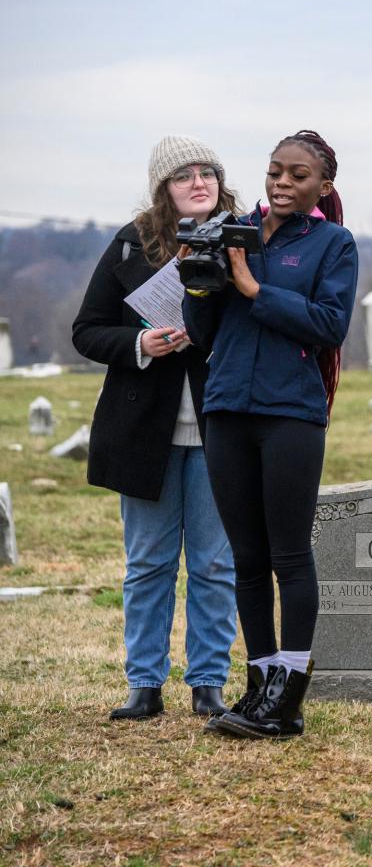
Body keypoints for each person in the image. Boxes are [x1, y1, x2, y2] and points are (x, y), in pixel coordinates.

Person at [184, 130, 358, 740]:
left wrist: (255, 289)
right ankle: (258, 687)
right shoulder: (231, 231)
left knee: (288, 553)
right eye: (275, 171)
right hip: (227, 406)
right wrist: (200, 282)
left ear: (322, 186)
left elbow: (330, 325)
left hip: (292, 414)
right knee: (247, 558)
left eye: (298, 175)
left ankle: (288, 698)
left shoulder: (334, 244)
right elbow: (204, 331)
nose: (283, 183)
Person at [72, 135, 240, 721]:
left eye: (207, 172)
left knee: (216, 564)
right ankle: (144, 684)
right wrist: (140, 342)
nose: (199, 182)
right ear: (163, 190)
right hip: (144, 428)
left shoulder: (246, 242)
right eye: (183, 175)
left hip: (222, 427)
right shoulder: (129, 246)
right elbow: (87, 330)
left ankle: (209, 683)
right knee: (148, 563)